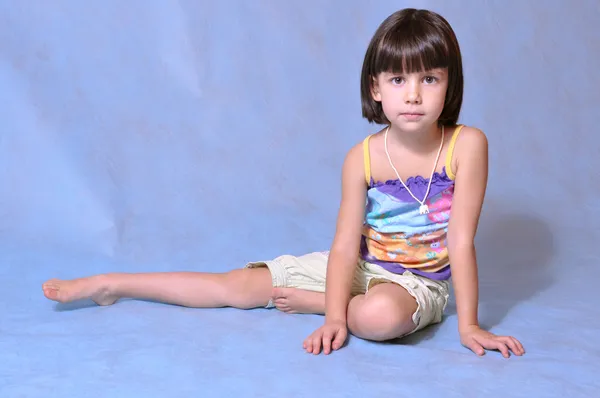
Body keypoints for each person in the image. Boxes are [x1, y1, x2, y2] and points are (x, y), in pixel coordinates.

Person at [42, 8, 524, 358]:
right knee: (238, 285)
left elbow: (460, 242)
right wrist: (337, 319)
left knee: (380, 318)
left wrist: (469, 325)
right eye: (398, 80)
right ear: (376, 88)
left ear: (450, 84)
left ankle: (323, 303)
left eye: (430, 79)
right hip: (360, 266)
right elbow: (342, 248)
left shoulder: (466, 146)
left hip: (418, 285)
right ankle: (112, 283)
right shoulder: (362, 157)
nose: (413, 95)